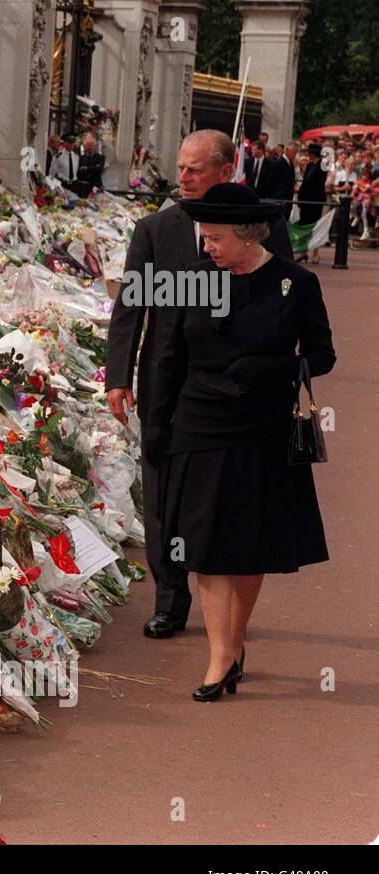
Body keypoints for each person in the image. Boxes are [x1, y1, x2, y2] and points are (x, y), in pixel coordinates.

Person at [146, 183, 335, 700]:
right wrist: (157, 424)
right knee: (204, 544)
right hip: (199, 421)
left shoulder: (296, 284)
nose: (206, 247)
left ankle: (232, 642)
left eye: (215, 238)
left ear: (248, 236)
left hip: (263, 426)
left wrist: (276, 366)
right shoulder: (194, 280)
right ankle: (219, 658)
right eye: (204, 237)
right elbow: (169, 356)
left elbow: (322, 355)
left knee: (248, 544)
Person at [106, 129, 294, 640]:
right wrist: (118, 376)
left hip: (236, 390)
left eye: (194, 168)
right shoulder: (154, 230)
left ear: (227, 171)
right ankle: (171, 599)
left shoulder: (265, 227)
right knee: (163, 491)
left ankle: (228, 603)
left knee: (228, 491)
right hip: (167, 382)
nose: (182, 176)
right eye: (181, 167)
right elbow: (130, 307)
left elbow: (286, 297)